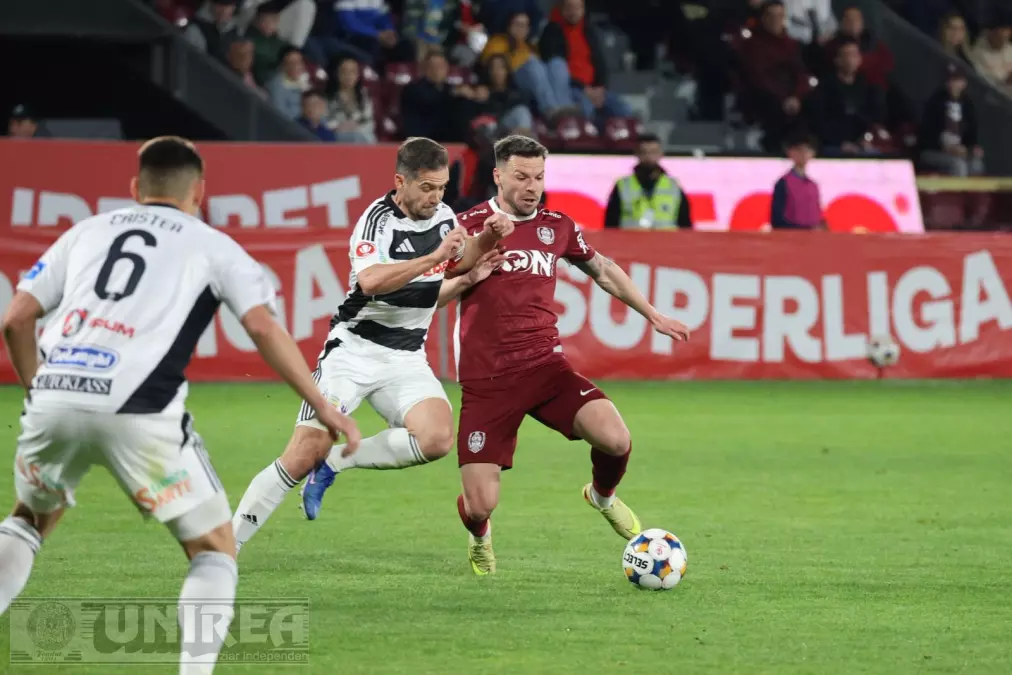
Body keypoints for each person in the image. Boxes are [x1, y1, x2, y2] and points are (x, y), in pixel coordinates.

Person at [0, 137, 358, 673]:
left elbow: (15, 319)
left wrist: (36, 389)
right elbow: (261, 326)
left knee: (28, 521)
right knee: (215, 549)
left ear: (134, 189)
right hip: (139, 410)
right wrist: (323, 407)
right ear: (200, 192)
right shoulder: (213, 245)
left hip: (54, 395)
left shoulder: (84, 233)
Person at [233, 137, 514, 548]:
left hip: (404, 357)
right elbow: (372, 281)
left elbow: (460, 260)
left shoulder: (444, 216)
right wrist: (435, 258)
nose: (436, 198)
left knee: (435, 439)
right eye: (426, 188)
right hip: (352, 353)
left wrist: (488, 237)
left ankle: (336, 460)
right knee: (300, 454)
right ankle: (227, 547)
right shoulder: (376, 221)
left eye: (441, 188)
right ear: (401, 181)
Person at [441, 136, 691, 575]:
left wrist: (651, 313)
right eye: (521, 176)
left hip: (545, 368)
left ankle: (601, 496)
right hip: (488, 382)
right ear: (498, 176)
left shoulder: (557, 226)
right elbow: (435, 285)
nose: (531, 186)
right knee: (481, 505)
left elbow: (604, 270)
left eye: (538, 177)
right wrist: (472, 265)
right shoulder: (467, 225)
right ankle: (479, 535)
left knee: (616, 439)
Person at [807, 37, 886, 155]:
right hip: (832, 145)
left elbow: (873, 118)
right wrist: (840, 143)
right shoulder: (825, 88)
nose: (851, 60)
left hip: (861, 144)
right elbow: (818, 123)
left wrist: (865, 139)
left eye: (854, 55)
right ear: (837, 60)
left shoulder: (866, 87)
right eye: (847, 55)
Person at [604, 134, 691, 230]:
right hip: (631, 243)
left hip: (666, 243)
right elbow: (610, 224)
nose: (649, 157)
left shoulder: (673, 186)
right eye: (644, 152)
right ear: (636, 154)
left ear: (660, 154)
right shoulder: (623, 185)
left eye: (653, 152)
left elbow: (685, 225)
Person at [919, 65, 985, 177]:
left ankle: (972, 194)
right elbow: (927, 136)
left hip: (959, 152)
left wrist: (972, 148)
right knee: (958, 165)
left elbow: (971, 136)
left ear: (964, 83)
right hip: (934, 151)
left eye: (957, 80)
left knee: (976, 164)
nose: (953, 84)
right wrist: (947, 148)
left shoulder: (968, 105)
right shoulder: (935, 102)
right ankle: (958, 194)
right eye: (950, 80)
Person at [771, 132, 825, 229]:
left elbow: (818, 215)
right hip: (792, 239)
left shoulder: (813, 185)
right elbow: (777, 220)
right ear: (790, 152)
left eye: (807, 150)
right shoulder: (783, 183)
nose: (803, 154)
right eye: (799, 150)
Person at [327, 56, 377, 144]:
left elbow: (369, 121)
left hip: (361, 134)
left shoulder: (364, 94)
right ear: (337, 74)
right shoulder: (329, 96)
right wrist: (340, 126)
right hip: (338, 135)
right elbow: (325, 121)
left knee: (365, 136)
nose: (348, 75)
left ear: (358, 75)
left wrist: (356, 127)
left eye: (352, 72)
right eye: (344, 71)